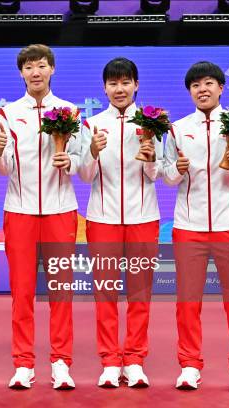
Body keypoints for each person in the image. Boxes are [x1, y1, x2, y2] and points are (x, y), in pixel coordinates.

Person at [163, 61, 229, 392]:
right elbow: (166, 174)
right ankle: (190, 366)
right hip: (188, 226)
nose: (202, 89)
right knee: (187, 301)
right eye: (195, 85)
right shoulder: (177, 129)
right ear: (189, 91)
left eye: (208, 83)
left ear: (221, 88)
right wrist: (176, 170)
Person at [0, 44, 81, 390]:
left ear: (52, 70)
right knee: (22, 292)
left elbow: (82, 163)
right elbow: (4, 169)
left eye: (41, 66)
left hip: (61, 211)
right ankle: (23, 364)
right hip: (20, 211)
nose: (35, 72)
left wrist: (70, 162)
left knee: (61, 291)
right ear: (21, 73)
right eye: (29, 67)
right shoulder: (7, 113)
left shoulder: (70, 111)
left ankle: (61, 363)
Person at [78, 57, 161, 388]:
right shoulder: (92, 125)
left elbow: (159, 174)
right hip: (102, 219)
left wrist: (152, 155)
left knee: (140, 293)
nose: (119, 89)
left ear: (136, 85)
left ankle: (136, 360)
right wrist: (93, 152)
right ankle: (111, 360)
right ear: (104, 88)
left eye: (125, 82)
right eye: (113, 83)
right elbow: (84, 176)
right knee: (106, 292)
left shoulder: (152, 123)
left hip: (144, 217)